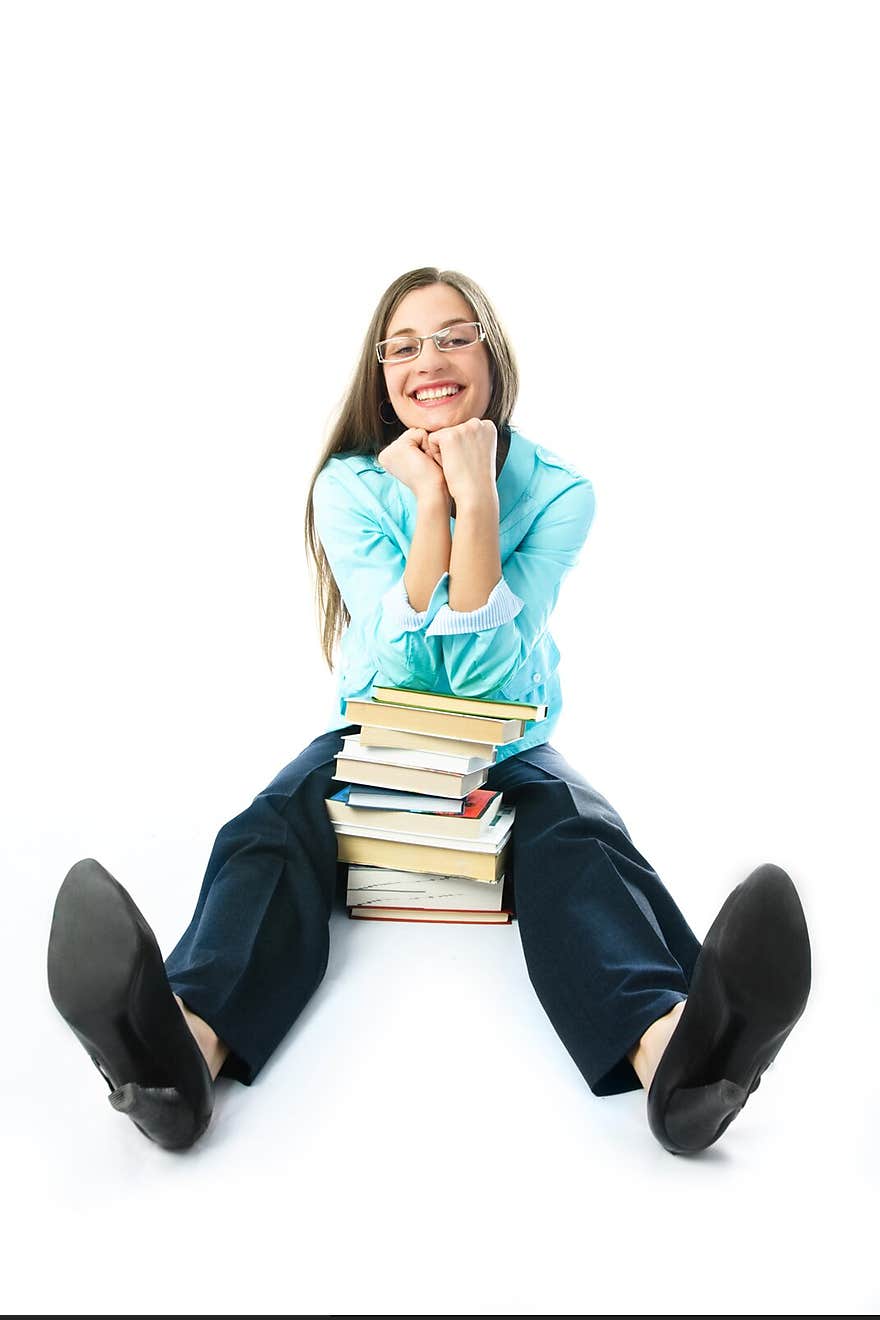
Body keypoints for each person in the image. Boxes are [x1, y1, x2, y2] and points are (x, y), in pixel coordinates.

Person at [47, 266, 811, 1156]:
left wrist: (479, 492)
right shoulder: (348, 487)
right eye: (403, 345)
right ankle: (178, 1057)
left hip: (507, 745)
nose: (429, 361)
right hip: (375, 738)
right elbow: (397, 662)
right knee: (268, 829)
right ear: (381, 373)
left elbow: (488, 679)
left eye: (454, 336)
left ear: (492, 352)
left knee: (580, 838)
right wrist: (429, 498)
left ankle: (679, 1062)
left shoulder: (561, 492)